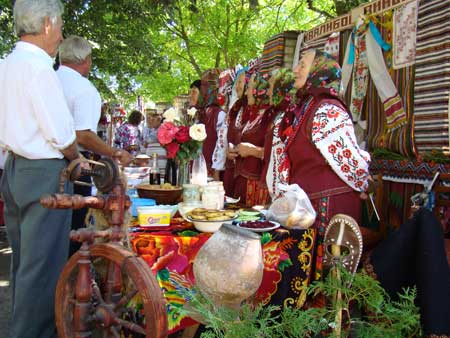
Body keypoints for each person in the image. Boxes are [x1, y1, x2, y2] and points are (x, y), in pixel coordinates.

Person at [0, 1, 81, 337]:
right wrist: (76, 158)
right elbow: (60, 133)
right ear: (47, 24)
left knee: (24, 266)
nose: (60, 34)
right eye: (60, 25)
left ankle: (23, 328)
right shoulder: (38, 67)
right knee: (43, 270)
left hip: (15, 170)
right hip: (44, 173)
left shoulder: (7, 64)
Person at [57, 35, 132, 256]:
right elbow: (83, 136)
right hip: (72, 167)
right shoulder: (83, 88)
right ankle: (68, 284)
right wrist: (115, 153)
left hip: (39, 166)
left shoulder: (49, 80)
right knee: (73, 232)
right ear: (86, 60)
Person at [199, 69, 227, 180]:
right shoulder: (200, 113)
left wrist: (216, 171)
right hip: (198, 168)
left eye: (206, 85)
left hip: (211, 173)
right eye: (203, 85)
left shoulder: (219, 115)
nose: (202, 89)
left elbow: (221, 145)